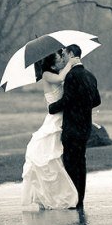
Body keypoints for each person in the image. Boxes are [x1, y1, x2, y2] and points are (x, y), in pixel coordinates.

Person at [21, 50, 80, 211]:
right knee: (50, 157)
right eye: (59, 59)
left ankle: (60, 192)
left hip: (63, 116)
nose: (62, 60)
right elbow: (60, 79)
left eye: (63, 58)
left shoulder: (58, 72)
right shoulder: (47, 74)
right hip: (55, 119)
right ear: (52, 63)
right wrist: (70, 63)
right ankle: (55, 195)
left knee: (59, 156)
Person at [48, 44, 101, 209]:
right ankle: (80, 198)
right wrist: (83, 106)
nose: (63, 57)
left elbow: (68, 100)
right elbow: (97, 100)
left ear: (71, 54)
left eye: (65, 54)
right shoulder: (90, 76)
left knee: (71, 163)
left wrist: (52, 107)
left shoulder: (71, 76)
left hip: (72, 127)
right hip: (85, 127)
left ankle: (73, 199)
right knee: (81, 163)